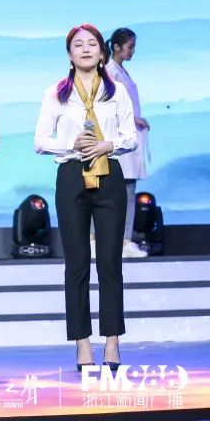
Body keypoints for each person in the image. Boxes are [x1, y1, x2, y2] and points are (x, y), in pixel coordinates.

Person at [34, 23, 137, 372]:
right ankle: (81, 342)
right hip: (71, 175)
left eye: (91, 43)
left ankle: (112, 341)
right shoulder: (56, 93)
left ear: (101, 52)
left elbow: (130, 136)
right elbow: (40, 141)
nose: (86, 49)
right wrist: (70, 144)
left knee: (109, 262)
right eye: (78, 45)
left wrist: (108, 143)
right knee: (76, 263)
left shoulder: (116, 91)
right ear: (69, 54)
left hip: (109, 175)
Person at [104, 28, 149, 259]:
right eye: (130, 46)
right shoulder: (110, 72)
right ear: (117, 47)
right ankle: (117, 240)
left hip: (128, 140)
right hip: (119, 140)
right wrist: (134, 119)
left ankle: (125, 240)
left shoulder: (120, 70)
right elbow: (109, 106)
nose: (132, 51)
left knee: (129, 191)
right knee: (120, 192)